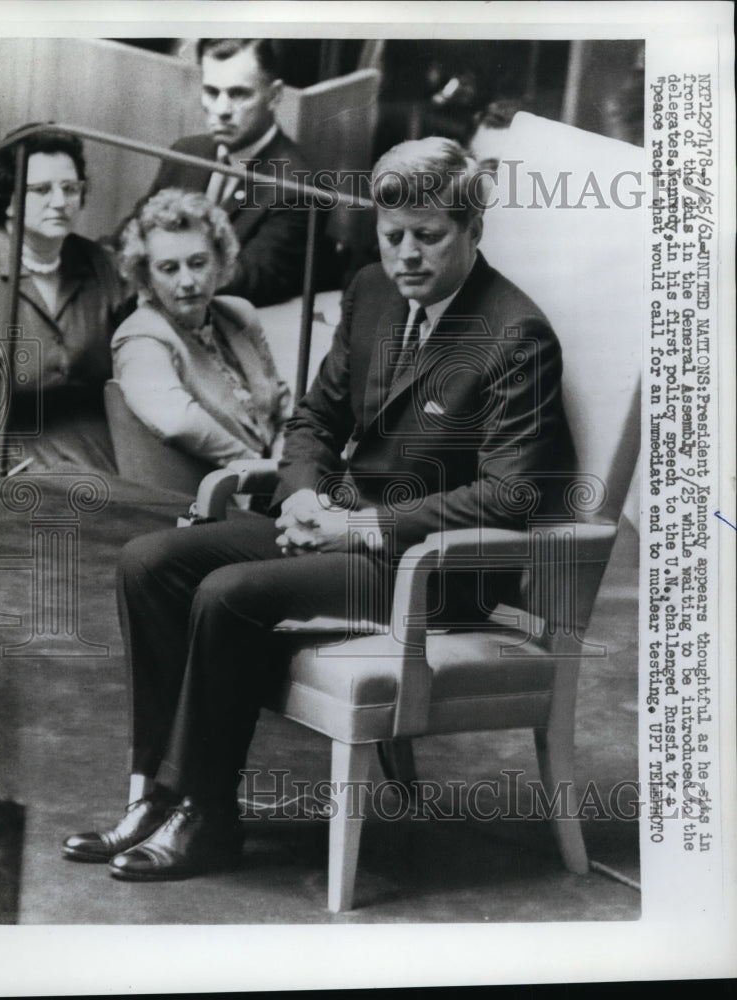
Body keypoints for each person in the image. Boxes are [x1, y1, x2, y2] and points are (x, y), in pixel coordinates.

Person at [62, 137, 576, 880]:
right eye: (392, 235)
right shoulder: (372, 291)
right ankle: (155, 794)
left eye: (428, 236)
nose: (406, 255)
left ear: (473, 230)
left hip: (436, 575)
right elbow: (315, 419)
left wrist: (357, 525)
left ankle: (207, 816)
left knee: (228, 593)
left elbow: (508, 494)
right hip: (342, 528)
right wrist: (302, 492)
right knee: (149, 562)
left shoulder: (516, 334)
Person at [111, 189, 291, 470]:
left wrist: (286, 459)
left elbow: (283, 406)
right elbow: (177, 421)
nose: (187, 281)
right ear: (145, 275)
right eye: (169, 268)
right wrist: (258, 468)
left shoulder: (238, 314)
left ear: (219, 261)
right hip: (210, 488)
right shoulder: (139, 339)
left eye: (198, 264)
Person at [129, 38, 315, 307]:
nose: (221, 110)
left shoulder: (298, 184)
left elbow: (252, 278)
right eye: (212, 92)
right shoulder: (185, 152)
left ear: (275, 95)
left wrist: (153, 270)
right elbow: (134, 230)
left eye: (239, 94)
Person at [0, 129, 123, 473]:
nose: (60, 202)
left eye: (70, 188)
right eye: (41, 190)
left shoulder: (101, 264)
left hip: (97, 449)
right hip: (2, 449)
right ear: (7, 197)